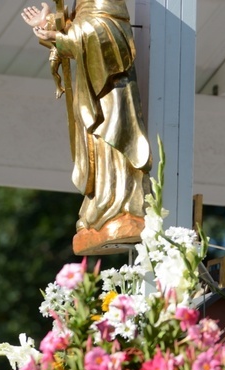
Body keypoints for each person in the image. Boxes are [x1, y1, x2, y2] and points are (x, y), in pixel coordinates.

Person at [22, 1, 151, 255]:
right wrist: (49, 26)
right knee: (96, 149)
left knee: (113, 144)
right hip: (91, 89)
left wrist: (60, 37)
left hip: (110, 90)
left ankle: (122, 206)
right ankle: (101, 210)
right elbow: (77, 29)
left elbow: (110, 32)